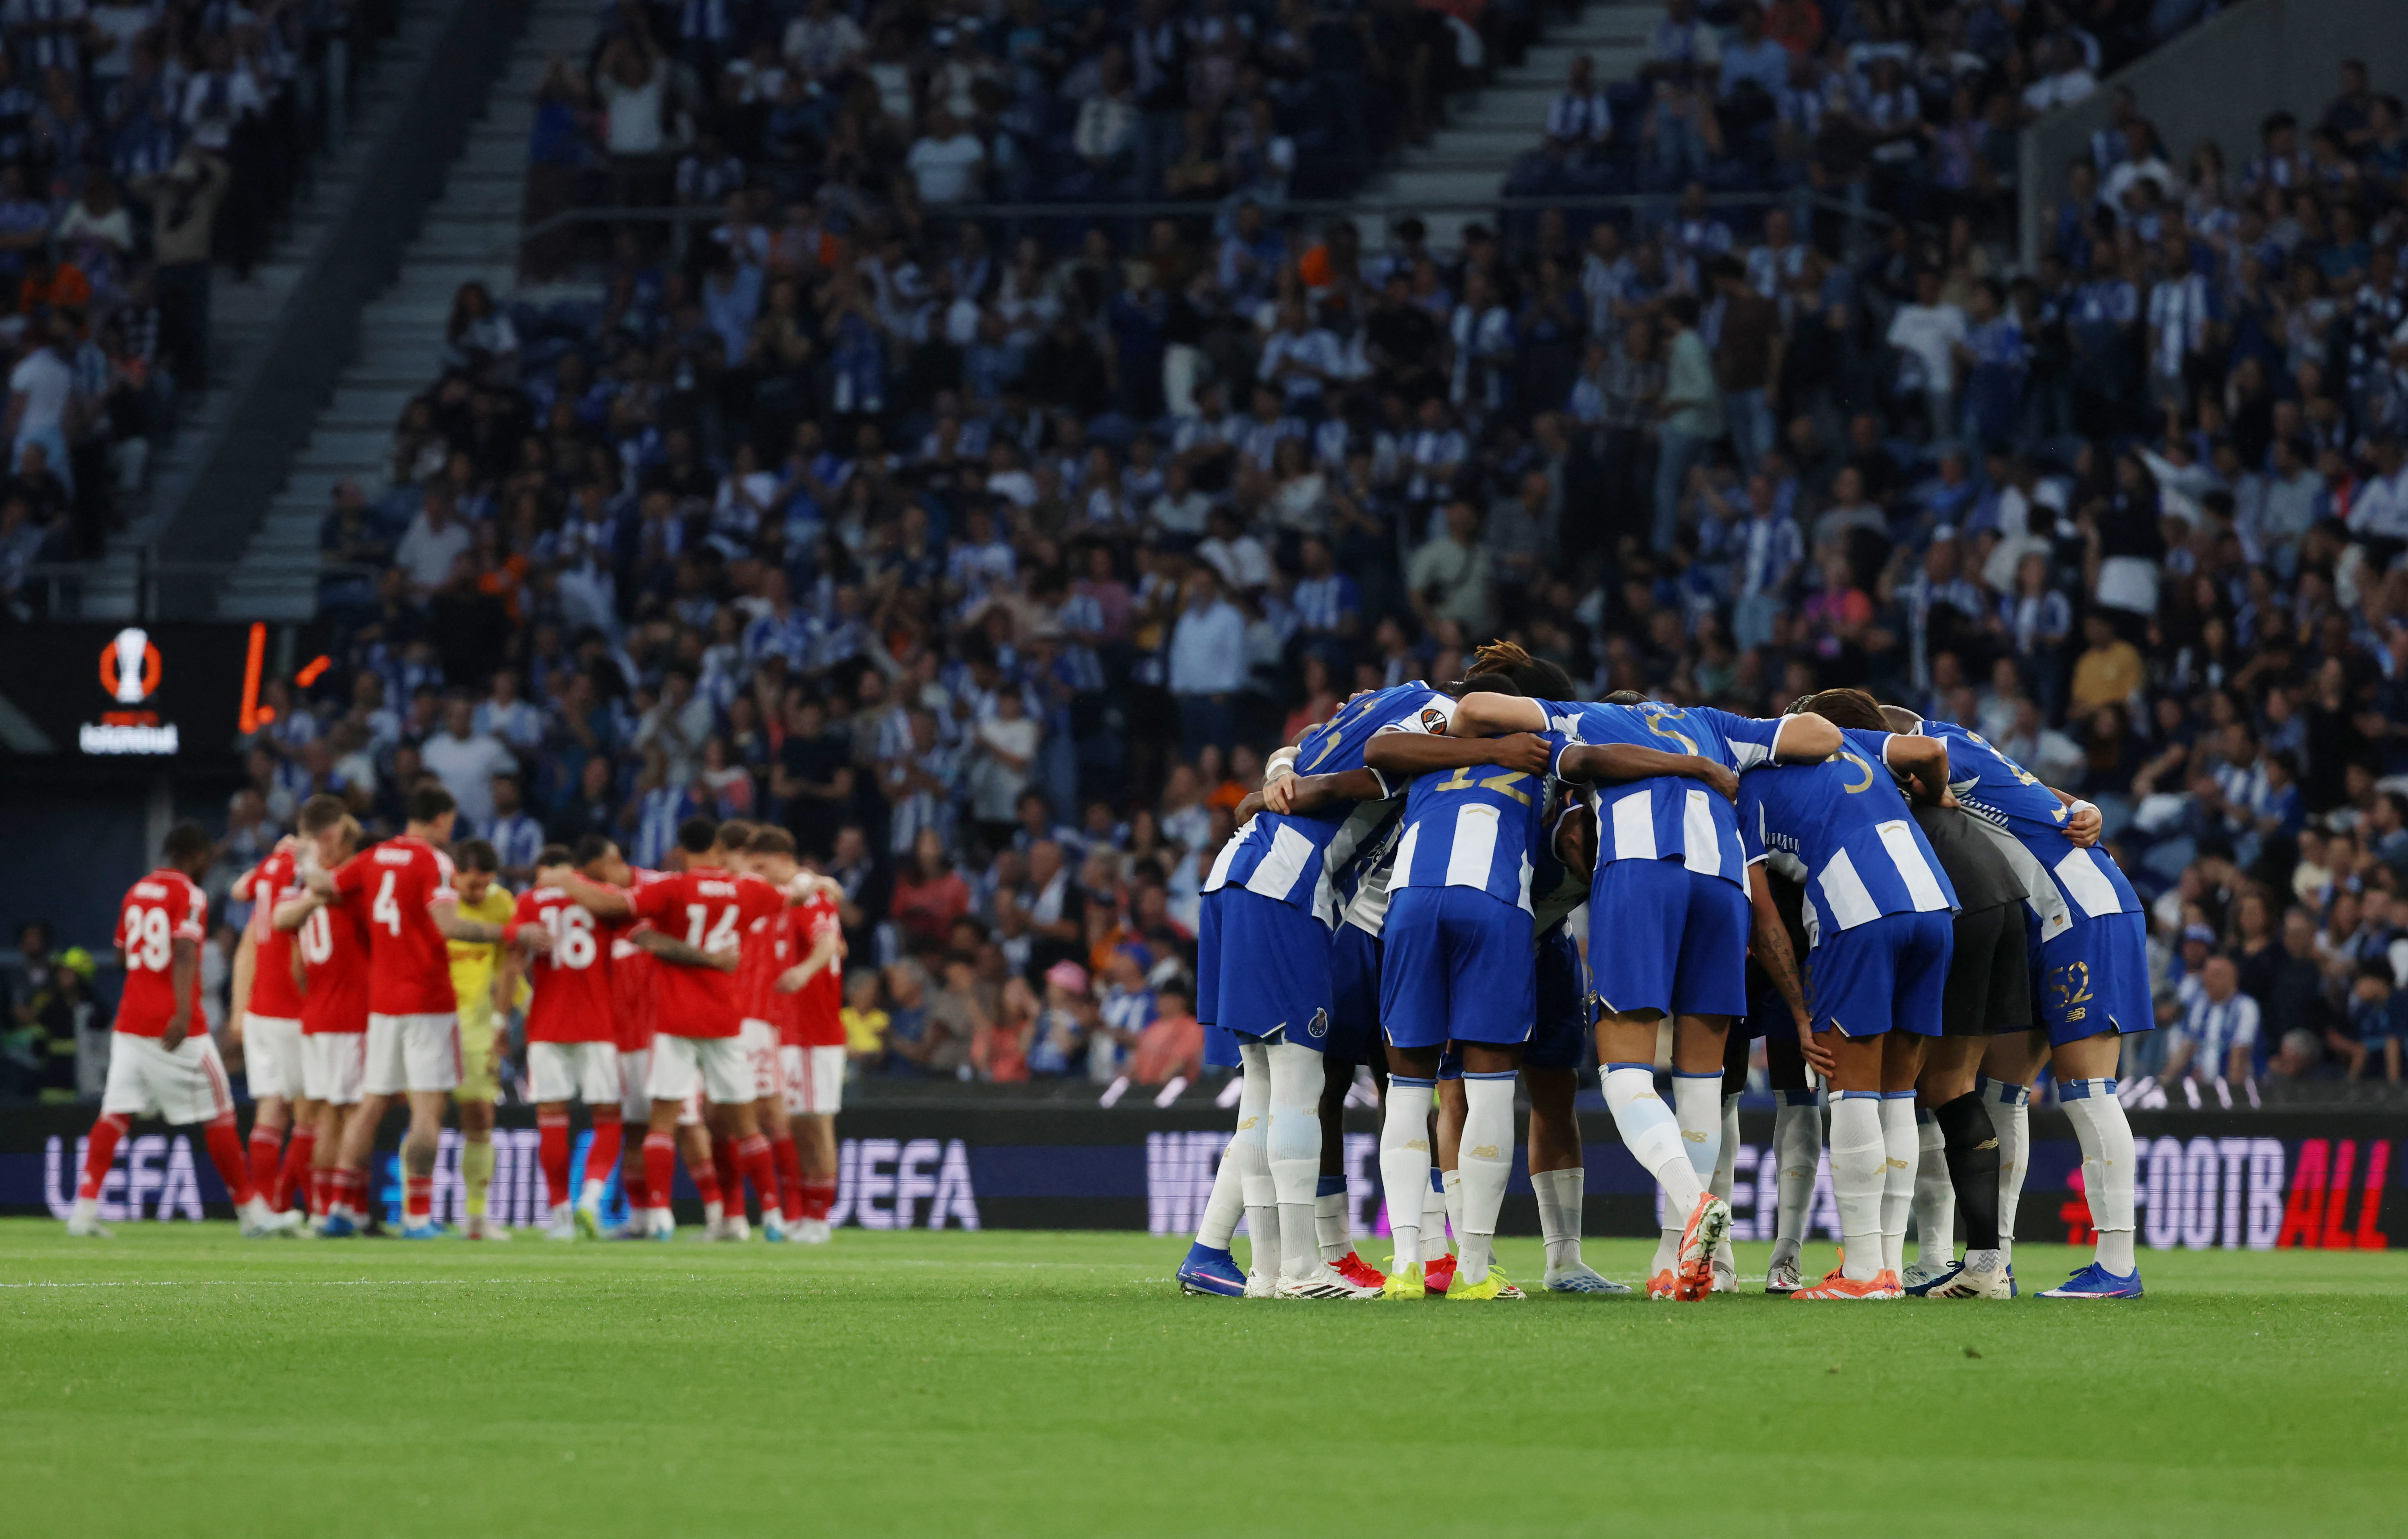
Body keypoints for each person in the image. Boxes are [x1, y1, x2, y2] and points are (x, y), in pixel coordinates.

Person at [1441, 687, 1839, 1299]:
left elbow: (1471, 712)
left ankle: (1694, 1201)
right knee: (1700, 1080)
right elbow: (1822, 735)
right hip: (1723, 882)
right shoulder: (1713, 722)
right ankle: (1670, 1255)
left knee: (1623, 1070)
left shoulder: (1589, 718)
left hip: (1641, 868)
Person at [1889, 708, 2151, 1300]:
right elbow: (2034, 791)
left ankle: (2115, 1264)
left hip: (2080, 910)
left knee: (2087, 1089)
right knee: (1997, 1090)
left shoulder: (1929, 751)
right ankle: (1991, 1263)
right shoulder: (1953, 743)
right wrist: (2082, 803)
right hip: (2035, 922)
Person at [1798, 689, 2033, 1298]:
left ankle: (1927, 1259)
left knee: (1930, 1085)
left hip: (1949, 901)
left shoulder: (1851, 765)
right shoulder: (1901, 773)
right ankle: (1973, 1257)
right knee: (1949, 1085)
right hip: (2000, 894)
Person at [1735, 717, 1959, 1301]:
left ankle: (1861, 1271)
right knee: (1897, 1094)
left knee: (1853, 1091)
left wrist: (1802, 1016)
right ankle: (1886, 1262)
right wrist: (1935, 795)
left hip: (1858, 910)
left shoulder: (1748, 790)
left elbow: (1768, 925)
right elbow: (1929, 749)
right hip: (1935, 906)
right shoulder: (1849, 741)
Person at [288, 784, 529, 1238]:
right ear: (440, 820)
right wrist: (514, 932)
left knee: (369, 1106)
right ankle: (417, 1215)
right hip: (427, 1001)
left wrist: (303, 857)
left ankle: (338, 1209)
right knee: (425, 1110)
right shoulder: (434, 861)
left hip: (382, 1003)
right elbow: (450, 925)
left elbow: (323, 884)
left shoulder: (374, 857)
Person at [539, 817, 769, 1241]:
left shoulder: (658, 888)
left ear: (611, 861)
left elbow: (621, 913)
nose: (594, 887)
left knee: (685, 1121)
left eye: (595, 876)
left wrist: (565, 879)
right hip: (619, 1032)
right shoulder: (605, 900)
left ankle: (718, 1212)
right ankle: (643, 1214)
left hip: (664, 1024)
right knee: (632, 1127)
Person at [66, 821, 277, 1239]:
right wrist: (181, 1012)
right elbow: (183, 951)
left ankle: (84, 1211)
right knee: (220, 1113)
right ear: (197, 855)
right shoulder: (190, 894)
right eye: (207, 858)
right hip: (176, 1026)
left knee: (115, 1113)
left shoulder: (136, 890)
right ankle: (252, 1213)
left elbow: (123, 954)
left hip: (131, 1022)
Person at [280, 800, 373, 1233]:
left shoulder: (307, 896)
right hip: (349, 1015)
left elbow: (295, 959)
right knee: (351, 1113)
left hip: (316, 1013)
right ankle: (340, 1207)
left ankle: (325, 1207)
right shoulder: (343, 887)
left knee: (324, 1116)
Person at [755, 825, 845, 1243]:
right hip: (789, 1028)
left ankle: (819, 1218)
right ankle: (804, 1214)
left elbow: (828, 943)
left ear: (781, 859)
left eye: (762, 865)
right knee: (792, 1122)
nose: (758, 873)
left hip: (816, 1028)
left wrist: (803, 972)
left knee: (816, 1123)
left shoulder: (808, 897)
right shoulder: (784, 900)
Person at [227, 836, 311, 1231]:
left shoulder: (269, 868)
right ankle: (299, 1207)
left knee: (271, 1111)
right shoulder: (304, 872)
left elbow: (237, 889)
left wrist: (238, 1011)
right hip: (291, 1009)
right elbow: (298, 953)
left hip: (261, 1007)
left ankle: (263, 1209)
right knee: (310, 1114)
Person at [446, 839, 519, 1239]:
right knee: (422, 1113)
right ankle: (414, 1214)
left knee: (480, 1117)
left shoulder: (502, 903)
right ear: (454, 874)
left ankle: (476, 1218)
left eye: (485, 885)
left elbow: (508, 966)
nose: (478, 894)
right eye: (472, 885)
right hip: (430, 1021)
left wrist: (503, 1018)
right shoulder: (435, 900)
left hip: (476, 1025)